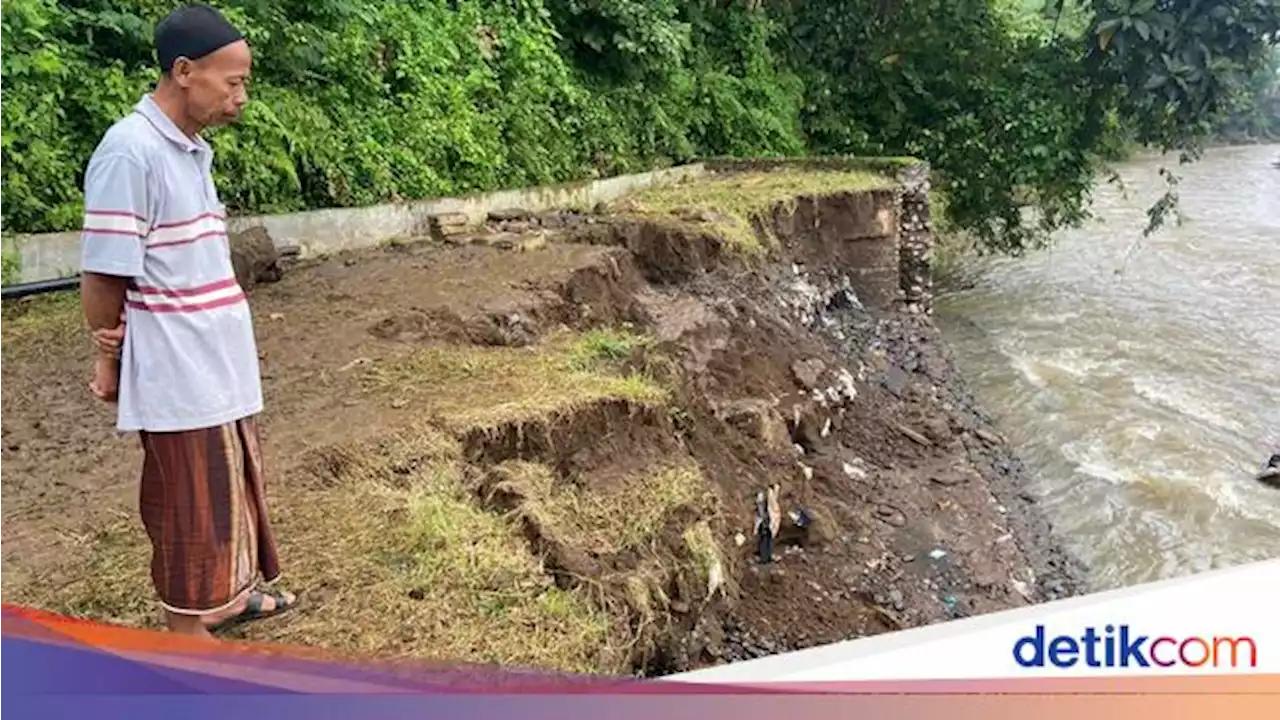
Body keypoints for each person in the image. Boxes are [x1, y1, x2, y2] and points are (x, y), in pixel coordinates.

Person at [81, 3, 295, 640]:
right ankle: (186, 629)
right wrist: (109, 359)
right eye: (232, 81)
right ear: (182, 71)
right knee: (189, 497)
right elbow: (103, 272)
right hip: (176, 363)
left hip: (216, 356)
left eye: (245, 82)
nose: (241, 96)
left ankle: (225, 599)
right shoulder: (130, 153)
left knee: (231, 481)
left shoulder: (189, 148)